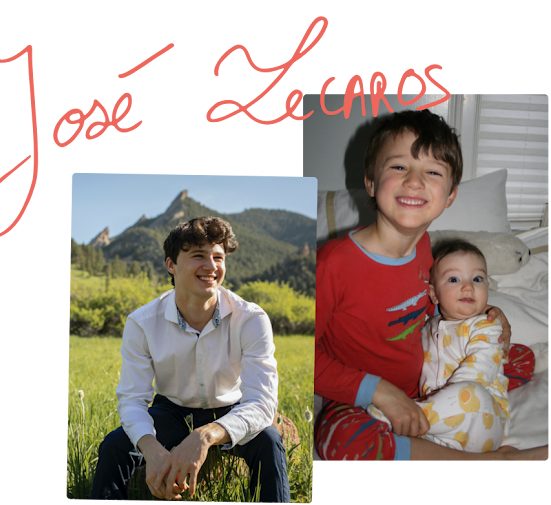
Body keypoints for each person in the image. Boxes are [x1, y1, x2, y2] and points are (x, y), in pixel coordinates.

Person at [314, 109, 547, 461]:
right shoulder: (332, 264)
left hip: (430, 377)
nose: (414, 181)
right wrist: (379, 392)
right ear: (371, 183)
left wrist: (485, 315)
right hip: (364, 399)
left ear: (450, 196)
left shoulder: (425, 250)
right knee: (339, 440)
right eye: (398, 167)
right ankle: (491, 458)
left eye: (432, 172)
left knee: (521, 356)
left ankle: (442, 418)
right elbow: (298, 356)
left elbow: (429, 304)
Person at [90, 216, 290, 501]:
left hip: (230, 408)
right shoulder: (142, 322)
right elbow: (133, 399)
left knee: (270, 441)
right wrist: (152, 450)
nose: (211, 266)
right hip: (171, 410)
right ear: (171, 264)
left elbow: (262, 402)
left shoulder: (251, 319)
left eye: (218, 257)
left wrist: (205, 435)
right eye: (198, 256)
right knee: (114, 446)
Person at [367, 238, 512, 452]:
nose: (468, 286)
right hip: (442, 430)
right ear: (433, 294)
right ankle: (422, 427)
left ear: (487, 286)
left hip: (483, 420)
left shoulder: (487, 326)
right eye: (454, 279)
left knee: (471, 393)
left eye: (477, 278)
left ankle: (408, 416)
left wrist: (434, 402)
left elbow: (480, 369)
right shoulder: (425, 328)